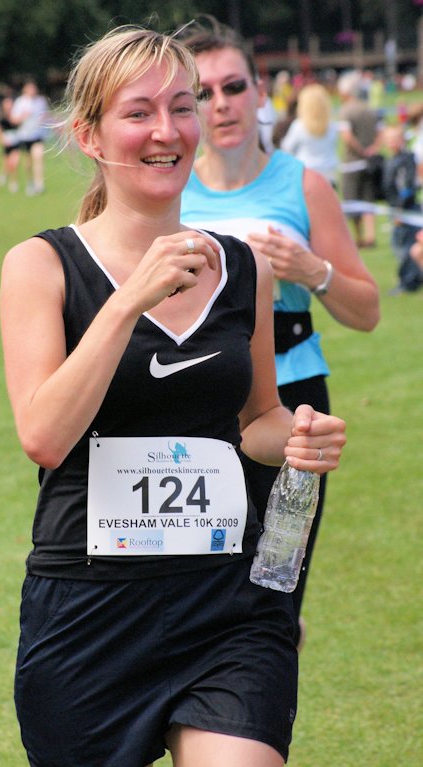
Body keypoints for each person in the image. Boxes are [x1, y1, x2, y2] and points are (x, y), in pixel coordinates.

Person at [0, 25, 347, 767]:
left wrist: (293, 433)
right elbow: (45, 436)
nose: (168, 131)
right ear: (88, 134)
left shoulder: (244, 266)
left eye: (182, 107)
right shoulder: (41, 265)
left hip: (227, 605)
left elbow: (254, 418)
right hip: (89, 611)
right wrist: (128, 300)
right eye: (139, 112)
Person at [178, 16, 379, 649]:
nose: (222, 104)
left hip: (293, 401)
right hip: (196, 400)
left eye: (234, 86)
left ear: (261, 92)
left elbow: (367, 310)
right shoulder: (169, 189)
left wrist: (310, 270)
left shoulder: (304, 184)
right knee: (192, 594)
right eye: (202, 93)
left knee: (276, 586)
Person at [337, 70, 384, 248]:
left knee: (353, 202)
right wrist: (373, 149)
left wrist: (361, 150)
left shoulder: (346, 111)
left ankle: (359, 237)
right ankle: (371, 236)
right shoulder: (370, 110)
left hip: (352, 164)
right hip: (370, 163)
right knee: (368, 201)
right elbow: (381, 132)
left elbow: (347, 137)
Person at [381, 125, 423, 295]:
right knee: (399, 246)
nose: (391, 143)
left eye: (395, 139)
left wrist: (400, 210)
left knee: (406, 247)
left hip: (406, 211)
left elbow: (407, 187)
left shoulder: (406, 160)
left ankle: (409, 282)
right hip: (396, 210)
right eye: (388, 140)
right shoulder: (392, 159)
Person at [281, 82, 339, 186]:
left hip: (306, 174)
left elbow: (286, 148)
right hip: (329, 174)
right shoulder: (332, 126)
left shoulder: (299, 126)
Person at [11, 81, 49, 195]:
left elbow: (46, 116)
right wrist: (23, 116)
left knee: (39, 157)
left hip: (38, 135)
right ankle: (30, 182)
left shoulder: (40, 101)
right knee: (28, 162)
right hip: (25, 135)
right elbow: (14, 120)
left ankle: (39, 184)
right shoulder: (20, 102)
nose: (33, 91)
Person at [0, 95, 21, 192]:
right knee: (7, 164)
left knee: (14, 163)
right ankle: (4, 173)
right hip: (6, 143)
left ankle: (13, 183)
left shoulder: (16, 116)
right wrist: (2, 140)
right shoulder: (0, 117)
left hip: (16, 142)